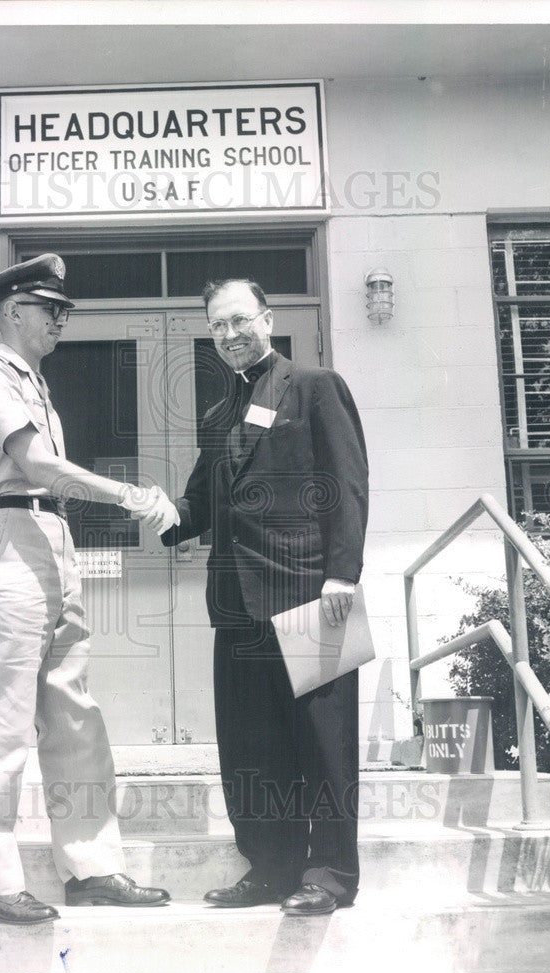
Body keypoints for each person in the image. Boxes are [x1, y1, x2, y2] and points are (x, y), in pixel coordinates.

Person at [0, 253, 179, 924]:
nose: (59, 319)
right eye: (47, 308)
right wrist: (131, 496)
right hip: (10, 540)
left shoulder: (38, 386)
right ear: (10, 311)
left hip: (52, 541)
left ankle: (91, 867)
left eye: (62, 310)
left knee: (75, 717)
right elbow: (35, 465)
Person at [161, 278, 368, 916]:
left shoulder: (315, 386)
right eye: (218, 326)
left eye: (239, 321)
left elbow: (349, 480)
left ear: (268, 319)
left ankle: (329, 876)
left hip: (313, 592)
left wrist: (343, 574)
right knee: (253, 748)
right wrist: (160, 513)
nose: (229, 335)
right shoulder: (220, 412)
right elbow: (201, 499)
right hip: (237, 603)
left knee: (324, 745)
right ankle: (270, 867)